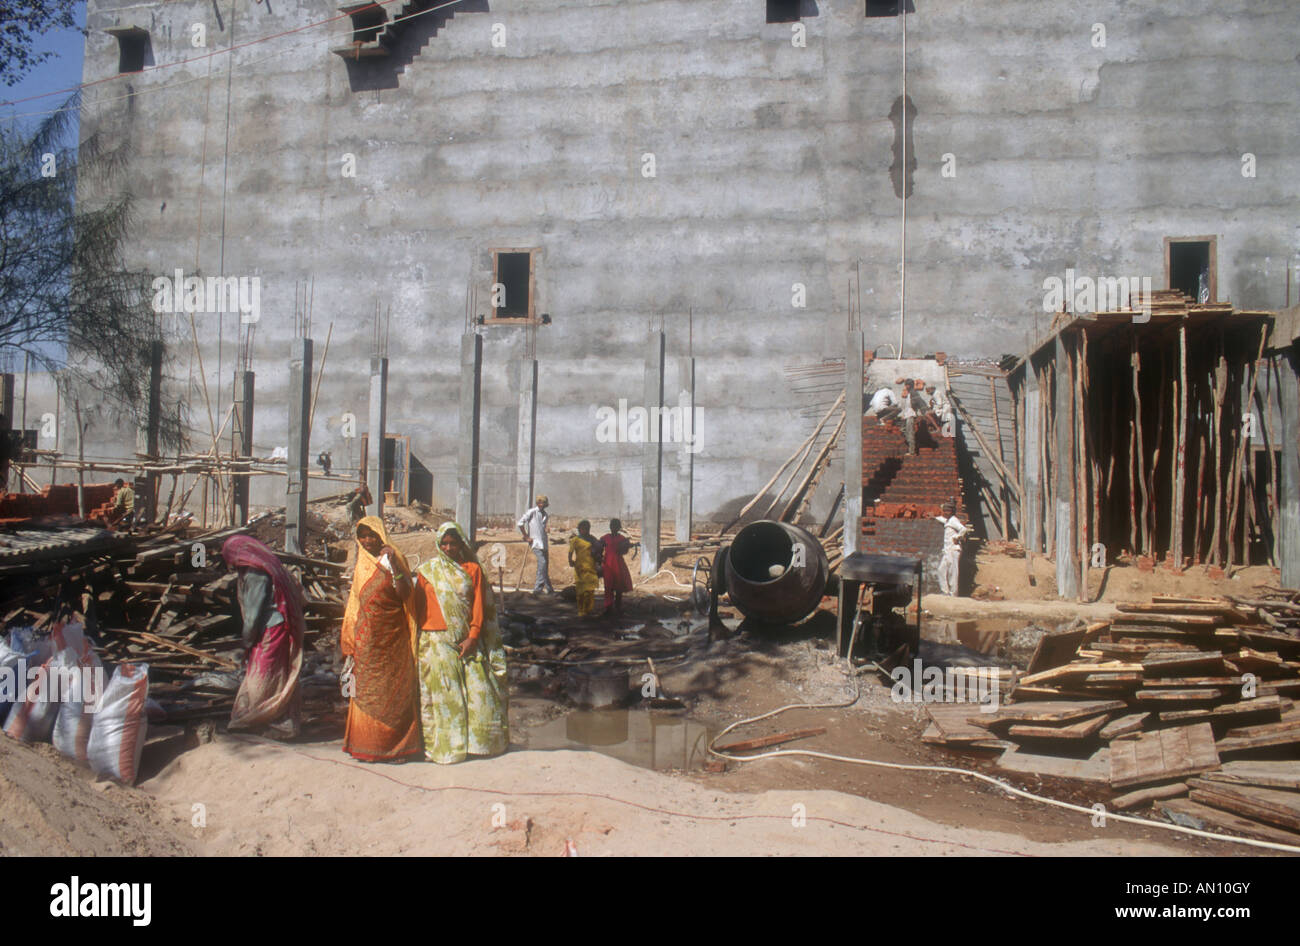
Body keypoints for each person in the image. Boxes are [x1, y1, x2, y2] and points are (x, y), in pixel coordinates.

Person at [412, 522, 509, 764]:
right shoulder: (427, 571)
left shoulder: (472, 570)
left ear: (461, 544)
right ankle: (448, 749)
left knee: (480, 692)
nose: (448, 548)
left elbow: (479, 606)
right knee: (446, 697)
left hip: (466, 640)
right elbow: (416, 607)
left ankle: (480, 744)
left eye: (453, 544)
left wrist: (473, 636)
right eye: (444, 544)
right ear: (437, 544)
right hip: (436, 639)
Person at [339, 517, 421, 763]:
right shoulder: (361, 564)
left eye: (371, 535)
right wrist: (350, 639)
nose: (367, 541)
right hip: (367, 641)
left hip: (393, 639)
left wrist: (394, 563)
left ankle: (397, 748)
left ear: (381, 535)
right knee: (365, 691)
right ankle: (365, 743)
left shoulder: (395, 559)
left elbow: (405, 593)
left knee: (395, 691)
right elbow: (354, 604)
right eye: (362, 536)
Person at [221, 535, 304, 738]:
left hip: (270, 629)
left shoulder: (255, 574)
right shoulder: (266, 567)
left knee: (263, 677)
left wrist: (247, 641)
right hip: (278, 627)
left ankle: (257, 718)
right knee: (277, 674)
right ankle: (279, 719)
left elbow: (253, 614)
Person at [517, 494, 554, 595]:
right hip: (535, 542)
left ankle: (549, 589)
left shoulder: (546, 515)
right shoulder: (532, 512)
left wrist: (545, 529)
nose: (543, 505)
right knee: (542, 563)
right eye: (541, 503)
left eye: (544, 503)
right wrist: (526, 536)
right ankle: (538, 589)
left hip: (544, 543)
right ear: (538, 503)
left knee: (544, 566)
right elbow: (520, 523)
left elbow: (542, 527)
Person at [598, 518, 633, 618]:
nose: (613, 528)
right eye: (612, 526)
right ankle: (608, 608)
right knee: (608, 586)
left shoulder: (622, 538)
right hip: (608, 564)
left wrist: (627, 545)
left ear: (618, 528)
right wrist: (599, 559)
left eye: (615, 526)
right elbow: (598, 549)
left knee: (618, 586)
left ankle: (618, 608)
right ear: (610, 527)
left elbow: (624, 551)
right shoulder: (604, 538)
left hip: (618, 563)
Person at [934, 502, 969, 597]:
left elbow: (963, 529)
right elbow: (943, 520)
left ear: (952, 511)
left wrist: (957, 537)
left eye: (948, 511)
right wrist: (934, 517)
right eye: (944, 510)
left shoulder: (953, 520)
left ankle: (953, 594)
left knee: (952, 573)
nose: (945, 512)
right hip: (947, 551)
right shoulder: (948, 520)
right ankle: (945, 592)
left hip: (953, 550)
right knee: (941, 570)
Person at [568, 519, 600, 618]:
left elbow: (599, 552)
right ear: (579, 529)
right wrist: (570, 561)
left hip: (591, 567)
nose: (585, 530)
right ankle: (581, 610)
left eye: (587, 529)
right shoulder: (575, 540)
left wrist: (599, 562)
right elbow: (570, 552)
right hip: (579, 568)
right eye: (583, 529)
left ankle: (588, 609)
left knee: (590, 590)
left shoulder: (593, 540)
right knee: (580, 590)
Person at [899, 379, 920, 456]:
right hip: (906, 415)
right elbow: (906, 407)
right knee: (903, 430)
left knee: (910, 433)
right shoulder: (908, 395)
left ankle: (912, 451)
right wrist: (903, 414)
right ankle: (911, 444)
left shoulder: (913, 393)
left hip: (911, 415)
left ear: (909, 385)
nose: (906, 386)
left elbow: (917, 404)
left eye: (907, 385)